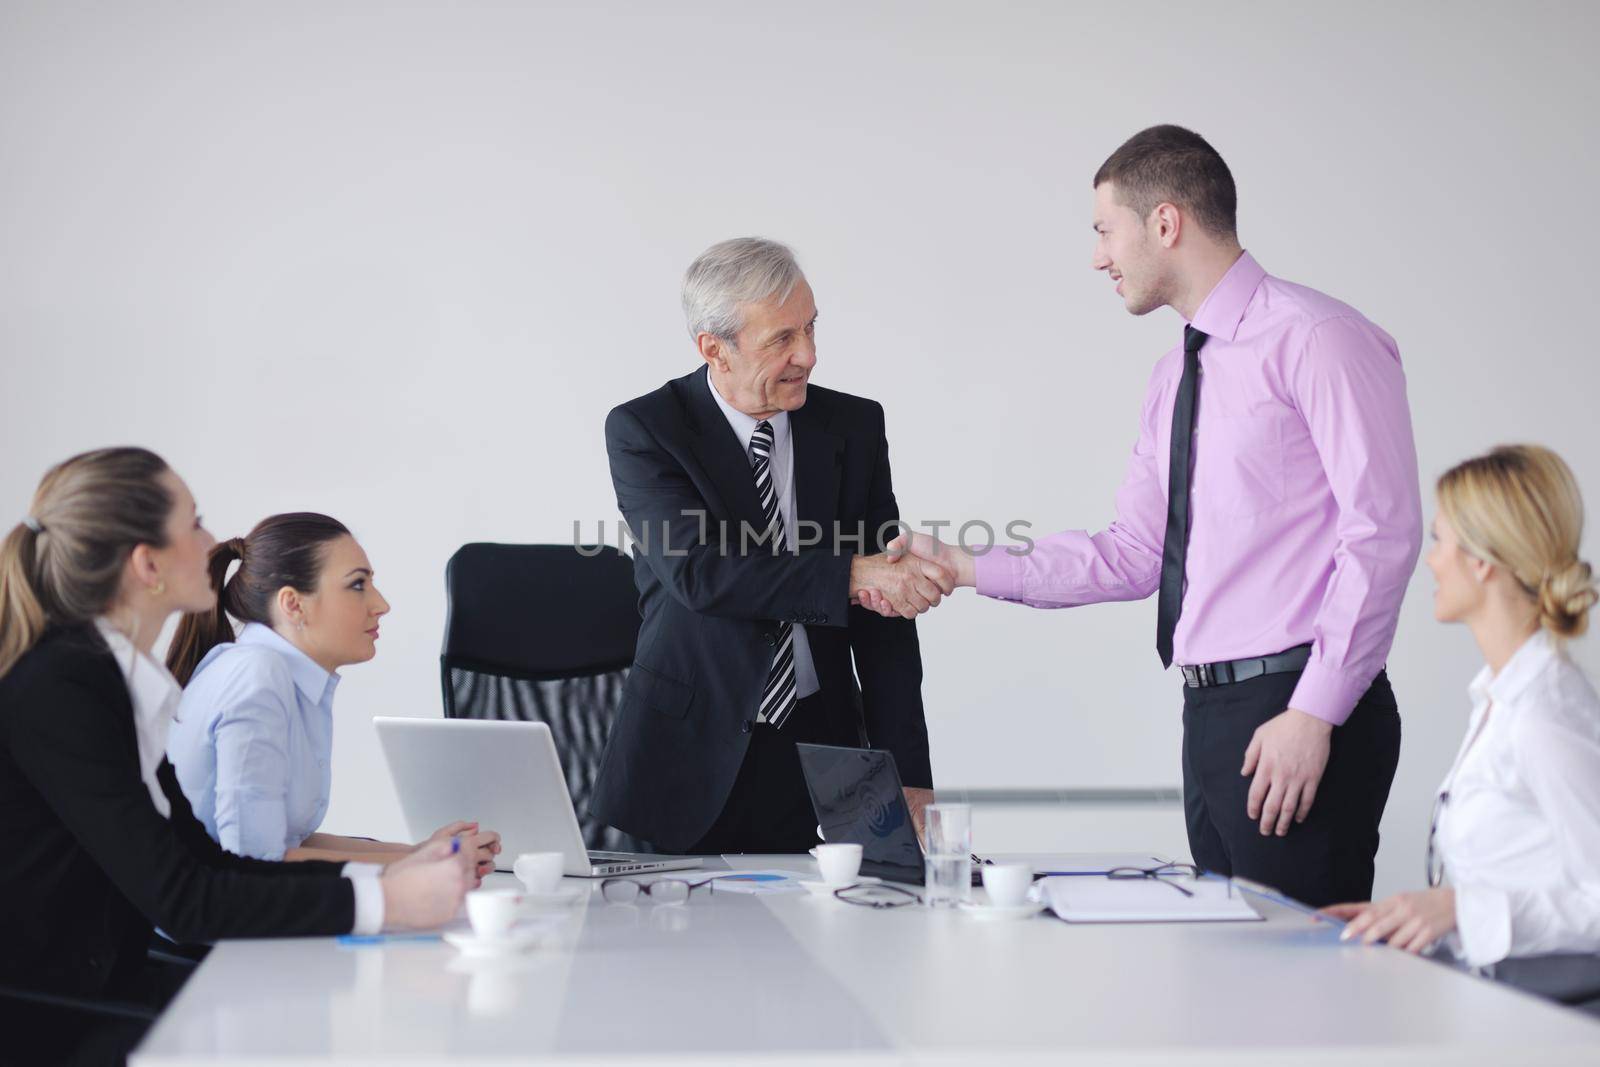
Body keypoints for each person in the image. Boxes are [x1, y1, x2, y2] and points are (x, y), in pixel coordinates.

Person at [871, 125, 1422, 907]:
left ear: (1165, 223)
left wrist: (1314, 712)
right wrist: (961, 567)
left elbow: (1385, 533)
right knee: (1232, 986)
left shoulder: (1319, 338)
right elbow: (1133, 552)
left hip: (1300, 706)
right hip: (1213, 716)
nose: (1099, 256)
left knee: (1302, 996)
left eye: (1104, 230)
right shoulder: (1175, 375)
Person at [0, 448, 472, 1058]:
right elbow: (184, 900)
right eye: (194, 523)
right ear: (149, 564)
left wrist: (381, 878)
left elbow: (207, 861)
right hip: (46, 1015)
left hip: (99, 985)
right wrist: (382, 900)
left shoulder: (107, 681)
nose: (211, 539)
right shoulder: (61, 689)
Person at [595, 237, 953, 854]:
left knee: (858, 938)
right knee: (671, 948)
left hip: (826, 747)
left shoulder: (854, 426)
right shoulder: (647, 430)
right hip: (689, 752)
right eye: (781, 339)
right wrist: (847, 573)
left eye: (810, 328)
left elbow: (885, 618)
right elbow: (701, 573)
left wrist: (911, 776)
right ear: (715, 349)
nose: (808, 356)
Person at [1324, 446, 1600, 975]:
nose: (1430, 560)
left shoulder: (1545, 716)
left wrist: (1457, 910)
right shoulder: (1501, 698)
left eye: (1439, 542)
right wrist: (1408, 917)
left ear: (1480, 561)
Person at [165, 512, 500, 870]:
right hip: (226, 920)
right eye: (358, 585)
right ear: (293, 604)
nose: (381, 604)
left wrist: (420, 853)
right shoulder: (257, 675)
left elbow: (288, 841)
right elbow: (257, 861)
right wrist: (414, 867)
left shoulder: (275, 674)